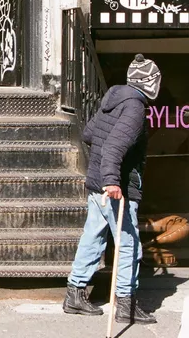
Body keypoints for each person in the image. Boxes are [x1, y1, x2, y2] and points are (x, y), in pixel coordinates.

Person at [62, 54, 161, 325]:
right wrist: (113, 180)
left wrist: (104, 175)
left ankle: (75, 294)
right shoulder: (134, 108)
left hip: (97, 183)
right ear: (149, 82)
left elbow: (90, 134)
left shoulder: (114, 99)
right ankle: (125, 304)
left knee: (93, 236)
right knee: (128, 245)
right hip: (115, 187)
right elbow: (115, 146)